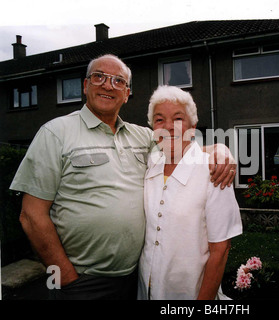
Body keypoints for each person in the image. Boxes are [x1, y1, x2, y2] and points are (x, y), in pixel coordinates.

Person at [9, 54, 236, 300]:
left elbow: (178, 144)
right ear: (86, 86)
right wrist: (64, 275)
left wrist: (219, 150)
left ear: (127, 93)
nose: (108, 85)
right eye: (99, 77)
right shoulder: (55, 133)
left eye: (118, 81)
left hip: (135, 277)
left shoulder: (142, 136)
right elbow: (31, 215)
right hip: (81, 280)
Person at [137, 85, 242, 300]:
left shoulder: (213, 171)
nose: (168, 127)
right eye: (159, 120)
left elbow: (220, 251)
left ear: (192, 127)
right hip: (144, 289)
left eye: (178, 118)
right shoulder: (150, 165)